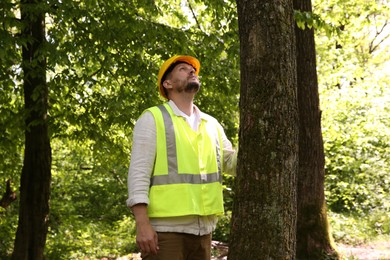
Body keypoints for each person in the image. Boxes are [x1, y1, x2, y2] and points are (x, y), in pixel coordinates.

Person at [126, 55, 236, 260]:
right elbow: (138, 175)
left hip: (204, 232)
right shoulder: (152, 118)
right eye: (183, 69)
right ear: (167, 83)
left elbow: (230, 163)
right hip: (165, 233)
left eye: (193, 70)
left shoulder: (211, 124)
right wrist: (142, 225)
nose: (192, 71)